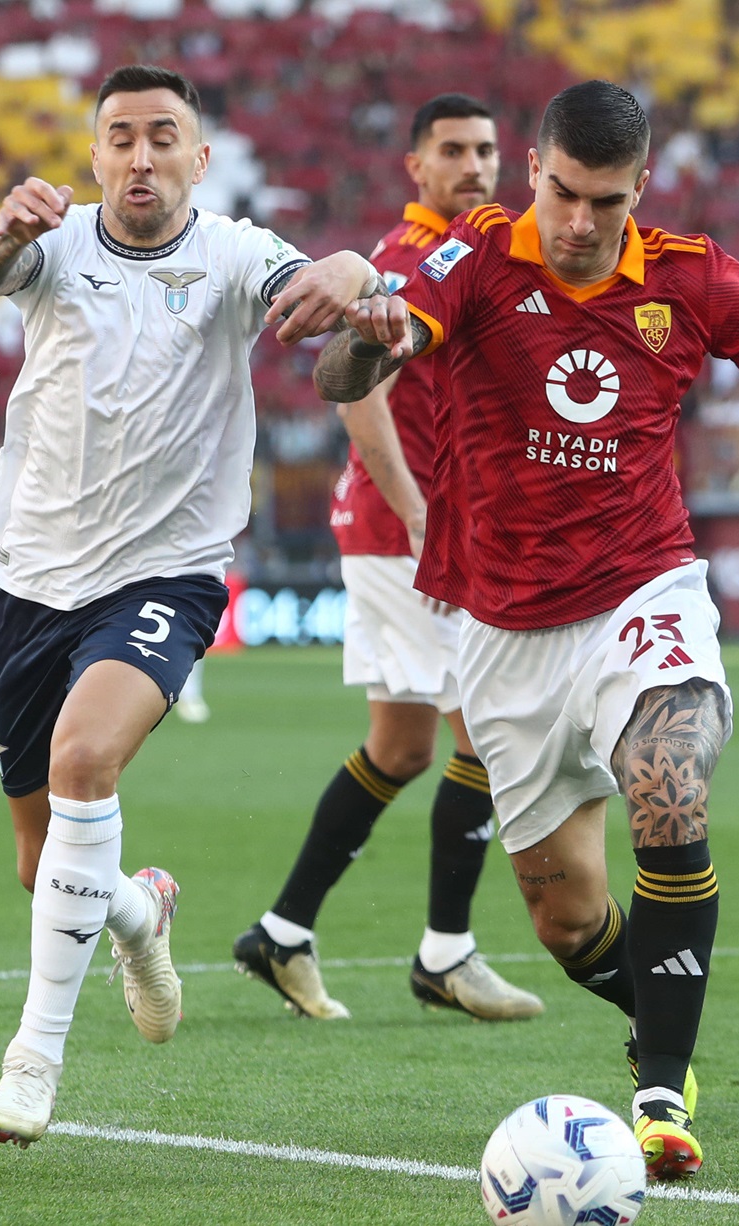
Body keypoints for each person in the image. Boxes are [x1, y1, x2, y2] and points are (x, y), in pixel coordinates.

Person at [314, 80, 739, 1179]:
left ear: (638, 188)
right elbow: (340, 375)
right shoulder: (471, 258)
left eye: (601, 202)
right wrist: (368, 337)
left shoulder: (691, 278)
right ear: (532, 171)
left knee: (669, 775)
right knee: (565, 921)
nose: (574, 222)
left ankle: (659, 1088)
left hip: (640, 595)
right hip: (502, 632)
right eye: (560, 193)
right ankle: (661, 1001)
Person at [0, 63, 384, 1148]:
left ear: (200, 156)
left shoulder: (233, 253)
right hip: (29, 575)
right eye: (119, 138)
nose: (139, 156)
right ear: (95, 155)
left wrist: (356, 269)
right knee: (41, 861)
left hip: (165, 572)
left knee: (84, 761)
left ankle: (31, 1063)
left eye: (162, 137)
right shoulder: (49, 243)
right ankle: (141, 913)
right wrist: (2, 234)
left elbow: (331, 327)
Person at [233, 93, 542, 1023]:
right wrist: (415, 509)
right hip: (406, 527)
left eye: (487, 149)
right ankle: (446, 952)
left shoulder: (479, 253)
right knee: (485, 731)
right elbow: (358, 391)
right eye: (452, 150)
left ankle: (282, 934)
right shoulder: (409, 261)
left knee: (402, 746)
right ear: (416, 167)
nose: (475, 165)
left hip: (426, 528)